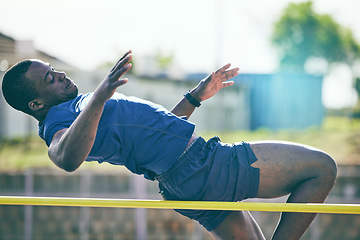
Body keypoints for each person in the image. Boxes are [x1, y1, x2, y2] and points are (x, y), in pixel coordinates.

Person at [2, 51, 337, 240]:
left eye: (55, 70)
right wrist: (100, 96)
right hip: (204, 166)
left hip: (185, 177)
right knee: (321, 168)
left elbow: (161, 135)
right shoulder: (60, 123)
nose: (60, 76)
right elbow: (65, 158)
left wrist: (194, 97)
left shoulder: (82, 111)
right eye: (50, 79)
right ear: (35, 104)